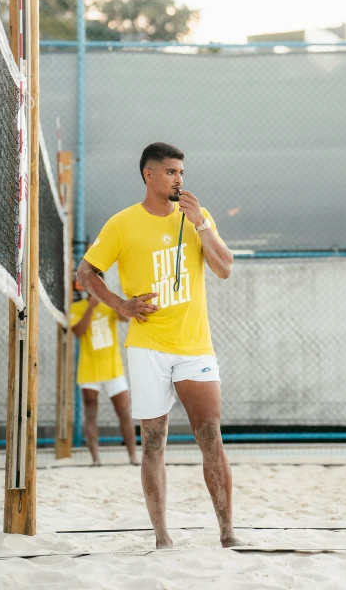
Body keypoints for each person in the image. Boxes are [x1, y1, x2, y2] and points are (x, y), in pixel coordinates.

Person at [76, 142, 240, 549]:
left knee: (211, 435)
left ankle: (227, 532)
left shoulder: (197, 217)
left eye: (181, 172)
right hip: (147, 346)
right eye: (171, 172)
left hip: (194, 346)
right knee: (153, 441)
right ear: (149, 175)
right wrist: (121, 305)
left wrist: (200, 223)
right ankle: (162, 536)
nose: (179, 179)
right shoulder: (122, 223)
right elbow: (85, 273)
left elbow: (224, 269)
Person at [71, 275, 138, 466]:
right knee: (91, 413)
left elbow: (124, 318)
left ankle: (133, 456)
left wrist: (110, 299)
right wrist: (91, 307)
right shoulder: (76, 307)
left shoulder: (109, 305)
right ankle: (95, 459)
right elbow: (78, 331)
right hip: (89, 369)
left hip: (112, 368)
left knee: (124, 411)